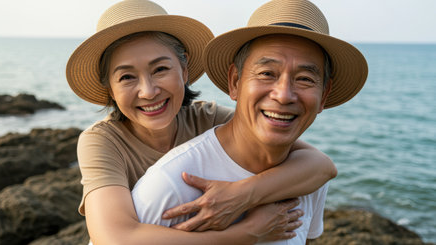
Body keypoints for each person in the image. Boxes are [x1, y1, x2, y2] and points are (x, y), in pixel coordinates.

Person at [66, 0, 338, 244]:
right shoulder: (102, 141)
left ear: (184, 71)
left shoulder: (208, 118)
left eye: (160, 69)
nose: (148, 91)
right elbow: (114, 237)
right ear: (110, 89)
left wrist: (240, 195)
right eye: (126, 77)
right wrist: (247, 233)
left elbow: (320, 166)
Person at [131, 0, 368, 244]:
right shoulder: (170, 184)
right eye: (267, 73)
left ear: (324, 96)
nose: (284, 94)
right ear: (235, 82)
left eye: (305, 78)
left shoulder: (308, 180)